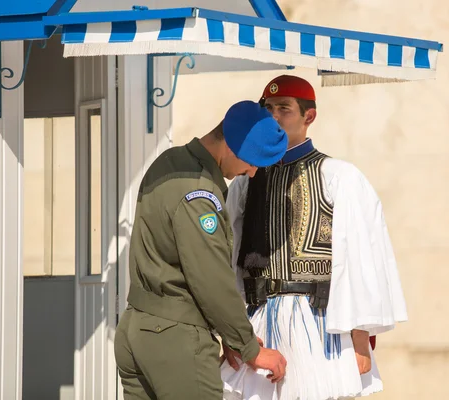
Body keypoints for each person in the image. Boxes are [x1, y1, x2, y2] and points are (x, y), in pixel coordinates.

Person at [221, 76, 408, 400]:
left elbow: (361, 256)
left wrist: (360, 337)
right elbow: (228, 255)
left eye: (284, 109)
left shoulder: (338, 176)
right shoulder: (246, 179)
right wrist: (232, 331)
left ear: (309, 117)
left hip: (316, 320)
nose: (274, 116)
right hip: (258, 319)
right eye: (268, 108)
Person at [114, 101, 289, 400]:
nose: (252, 172)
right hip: (174, 343)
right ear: (234, 147)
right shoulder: (200, 194)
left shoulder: (169, 162)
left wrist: (231, 337)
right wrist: (250, 348)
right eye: (253, 162)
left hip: (136, 330)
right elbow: (211, 281)